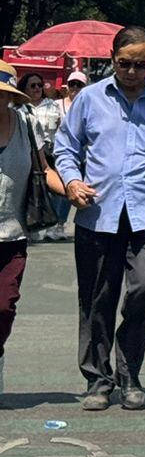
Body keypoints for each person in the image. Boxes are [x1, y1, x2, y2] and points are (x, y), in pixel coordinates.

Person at [53, 27, 145, 412]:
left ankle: (129, 370)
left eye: (140, 65)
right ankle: (98, 380)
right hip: (97, 216)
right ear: (111, 59)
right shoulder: (90, 99)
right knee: (97, 301)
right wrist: (72, 181)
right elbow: (65, 148)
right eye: (124, 63)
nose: (132, 72)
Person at [0, 72, 73, 398]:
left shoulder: (25, 126)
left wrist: (73, 190)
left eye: (2, 94)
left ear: (10, 97)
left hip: (12, 237)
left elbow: (43, 171)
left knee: (4, 307)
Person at [19, 73, 70, 240]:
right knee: (33, 187)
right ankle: (33, 222)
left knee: (55, 187)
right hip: (26, 151)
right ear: (24, 88)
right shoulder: (19, 108)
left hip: (50, 149)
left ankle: (55, 224)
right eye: (33, 86)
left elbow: (63, 129)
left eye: (40, 85)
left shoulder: (52, 106)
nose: (37, 89)